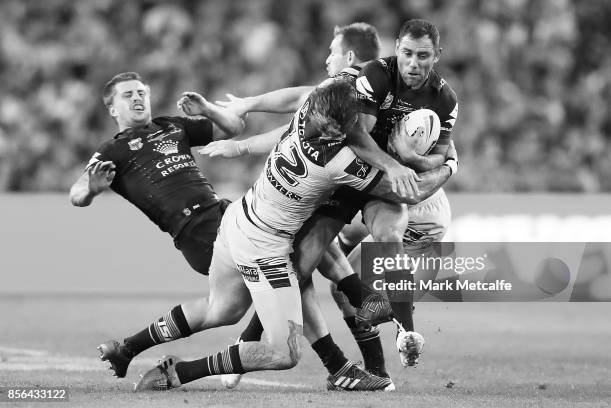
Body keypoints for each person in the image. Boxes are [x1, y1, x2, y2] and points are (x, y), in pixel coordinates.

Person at [71, 72, 389, 391]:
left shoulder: (171, 126)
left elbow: (233, 126)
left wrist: (208, 109)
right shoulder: (113, 150)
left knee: (222, 309)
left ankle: (127, 349)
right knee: (297, 259)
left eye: (141, 92)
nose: (138, 98)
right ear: (112, 108)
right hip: (195, 229)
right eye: (128, 95)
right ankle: (338, 354)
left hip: (221, 210)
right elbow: (77, 194)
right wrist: (92, 189)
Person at [135, 78, 451, 392]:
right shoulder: (337, 161)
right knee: (283, 350)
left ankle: (129, 346)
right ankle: (183, 371)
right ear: (335, 129)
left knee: (225, 308)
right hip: (266, 246)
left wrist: (243, 131)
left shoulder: (307, 111)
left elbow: (299, 98)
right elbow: (406, 193)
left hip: (241, 219)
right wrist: (447, 164)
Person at [208, 19, 458, 380]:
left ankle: (405, 332)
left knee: (386, 236)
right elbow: (345, 131)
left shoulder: (444, 99)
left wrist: (424, 162)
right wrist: (243, 125)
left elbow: (443, 152)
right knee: (304, 264)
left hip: (384, 184)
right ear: (396, 51)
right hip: (352, 176)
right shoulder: (368, 78)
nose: (414, 64)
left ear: (437, 56)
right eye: (407, 54)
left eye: (423, 56)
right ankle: (246, 344)